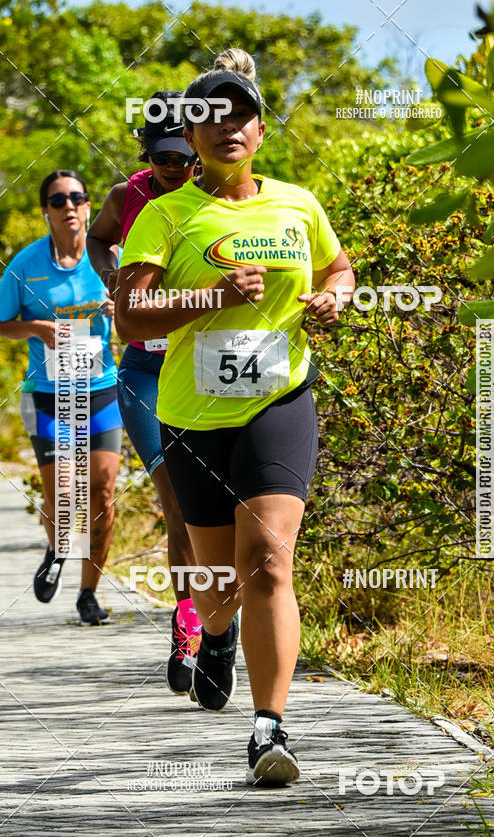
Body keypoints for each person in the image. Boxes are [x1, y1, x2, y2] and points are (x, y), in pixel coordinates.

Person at [115, 49, 354, 786]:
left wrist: (336, 295)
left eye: (241, 113)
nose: (227, 126)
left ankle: (269, 728)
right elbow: (129, 317)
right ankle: (213, 635)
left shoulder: (297, 204)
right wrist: (211, 298)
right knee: (219, 581)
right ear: (189, 131)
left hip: (280, 401)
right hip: (192, 415)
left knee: (271, 564)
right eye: (209, 115)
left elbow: (337, 267)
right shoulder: (164, 214)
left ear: (260, 129)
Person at [87, 92, 202, 695]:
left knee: (219, 510)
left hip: (205, 370)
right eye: (162, 159)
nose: (173, 169)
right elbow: (101, 239)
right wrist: (115, 273)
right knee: (176, 502)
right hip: (143, 370)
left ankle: (222, 626)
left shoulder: (218, 196)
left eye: (183, 158)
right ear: (145, 152)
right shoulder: (127, 196)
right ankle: (188, 633)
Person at [0, 170, 122, 626]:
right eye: (58, 199)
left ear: (89, 207)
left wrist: (120, 306)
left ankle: (89, 593)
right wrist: (36, 328)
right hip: (47, 394)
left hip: (102, 390)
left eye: (78, 197)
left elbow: (145, 310)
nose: (69, 206)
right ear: (45, 210)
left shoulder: (111, 257)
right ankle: (58, 545)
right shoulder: (25, 266)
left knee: (102, 492)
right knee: (63, 492)